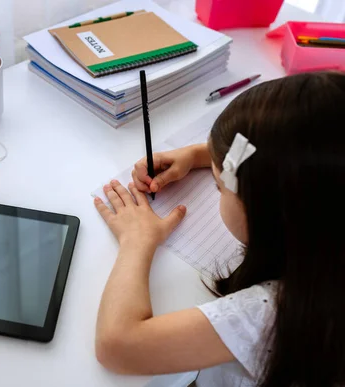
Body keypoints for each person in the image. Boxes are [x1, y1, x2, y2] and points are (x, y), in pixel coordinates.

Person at [93, 71, 345, 387]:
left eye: (218, 187)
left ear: (268, 214)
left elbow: (117, 346)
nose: (217, 190)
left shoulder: (276, 315)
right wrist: (204, 154)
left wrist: (136, 240)